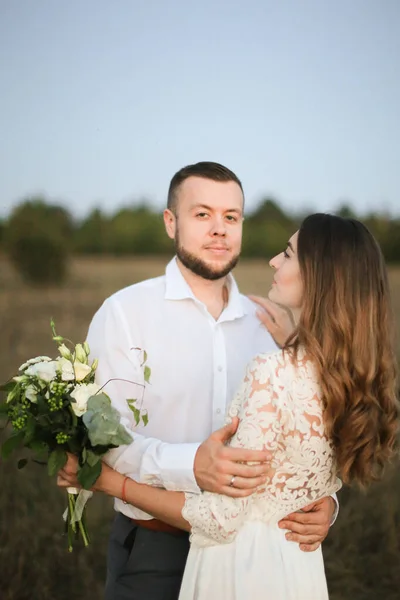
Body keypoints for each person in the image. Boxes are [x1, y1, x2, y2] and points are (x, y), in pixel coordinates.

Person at [59, 212, 399, 599]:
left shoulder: (271, 362)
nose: (273, 261)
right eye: (201, 213)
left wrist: (108, 482)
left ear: (320, 276)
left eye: (287, 254)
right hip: (295, 573)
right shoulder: (348, 373)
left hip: (241, 571)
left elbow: (221, 519)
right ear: (173, 221)